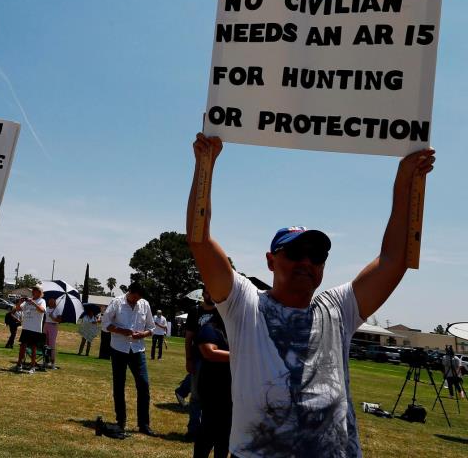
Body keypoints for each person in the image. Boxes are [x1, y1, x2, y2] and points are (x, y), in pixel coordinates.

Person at [186, 132, 435, 456]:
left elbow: (394, 260)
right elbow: (200, 240)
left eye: (317, 256)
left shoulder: (337, 309)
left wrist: (405, 180)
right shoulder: (244, 305)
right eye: (295, 253)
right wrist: (204, 165)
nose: (307, 262)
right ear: (270, 261)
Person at [101, 282, 157, 436]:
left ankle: (144, 424)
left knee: (144, 385)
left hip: (138, 350)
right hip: (119, 349)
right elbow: (105, 324)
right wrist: (121, 331)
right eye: (134, 298)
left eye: (138, 298)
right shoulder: (117, 302)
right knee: (119, 385)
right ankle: (121, 421)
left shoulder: (144, 304)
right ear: (129, 292)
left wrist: (143, 334)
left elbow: (151, 328)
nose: (136, 301)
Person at [176, 292, 219, 440]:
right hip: (198, 359)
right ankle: (193, 430)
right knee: (195, 396)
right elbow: (188, 338)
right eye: (209, 291)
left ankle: (209, 431)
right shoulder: (195, 311)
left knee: (213, 398)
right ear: (204, 293)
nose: (212, 294)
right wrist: (189, 359)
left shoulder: (222, 310)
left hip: (217, 360)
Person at [193, 301, 232, 458]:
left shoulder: (232, 331)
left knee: (225, 435)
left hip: (230, 389)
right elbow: (209, 352)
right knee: (208, 432)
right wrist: (241, 356)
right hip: (213, 389)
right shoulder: (210, 328)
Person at [13, 286, 46, 373]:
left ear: (39, 292)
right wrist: (19, 302)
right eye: (33, 290)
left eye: (35, 290)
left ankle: (32, 367)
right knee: (22, 346)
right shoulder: (27, 301)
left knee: (33, 348)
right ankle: (19, 364)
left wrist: (33, 303)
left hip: (35, 328)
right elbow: (18, 309)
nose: (33, 292)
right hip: (26, 327)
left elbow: (42, 310)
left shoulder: (42, 301)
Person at [43, 297, 62, 368]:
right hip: (46, 325)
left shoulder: (58, 309)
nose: (50, 302)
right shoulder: (47, 308)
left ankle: (53, 362)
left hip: (53, 326)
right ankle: (46, 361)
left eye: (52, 301)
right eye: (49, 301)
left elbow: (59, 320)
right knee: (45, 344)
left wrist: (52, 317)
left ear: (54, 302)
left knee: (51, 345)